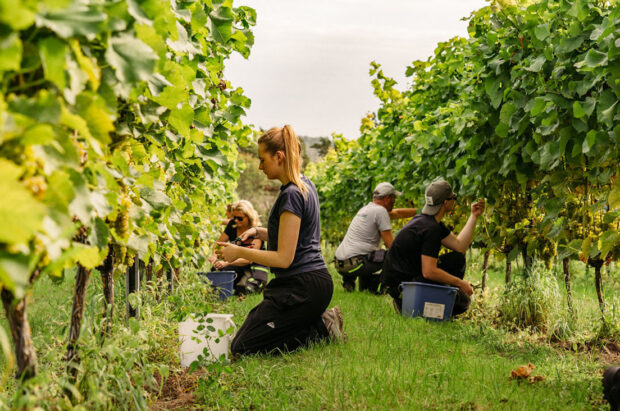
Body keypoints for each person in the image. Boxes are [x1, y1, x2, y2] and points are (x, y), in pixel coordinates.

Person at [217, 125, 344, 355]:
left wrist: (239, 252)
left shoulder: (292, 195)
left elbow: (284, 258)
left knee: (243, 347)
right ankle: (316, 320)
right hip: (310, 284)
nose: (260, 166)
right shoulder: (304, 185)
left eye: (262, 159)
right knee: (252, 326)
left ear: (279, 156)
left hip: (302, 287)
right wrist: (257, 231)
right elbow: (294, 236)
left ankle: (322, 326)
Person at [381, 179, 485, 316]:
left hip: (405, 281)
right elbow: (429, 272)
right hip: (404, 287)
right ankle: (410, 306)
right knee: (462, 302)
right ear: (446, 202)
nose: (455, 200)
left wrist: (474, 216)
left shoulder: (426, 221)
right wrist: (460, 283)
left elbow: (459, 246)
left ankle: (429, 301)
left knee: (456, 259)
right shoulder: (431, 229)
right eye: (454, 197)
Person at [334, 182, 416, 293]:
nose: (394, 201)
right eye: (393, 198)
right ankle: (380, 286)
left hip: (341, 264)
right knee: (391, 256)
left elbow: (397, 213)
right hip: (355, 263)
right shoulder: (381, 211)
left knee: (370, 253)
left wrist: (421, 212)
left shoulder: (367, 209)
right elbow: (391, 245)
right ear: (387, 198)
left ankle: (355, 283)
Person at [209, 200, 269, 295]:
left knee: (243, 289)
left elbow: (249, 258)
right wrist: (214, 255)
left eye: (240, 218)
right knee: (215, 272)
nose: (236, 220)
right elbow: (218, 243)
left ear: (249, 217)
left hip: (252, 267)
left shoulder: (257, 231)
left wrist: (226, 263)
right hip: (237, 264)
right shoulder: (233, 225)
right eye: (234, 217)